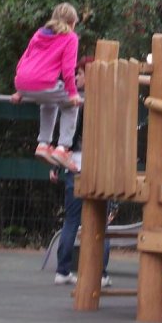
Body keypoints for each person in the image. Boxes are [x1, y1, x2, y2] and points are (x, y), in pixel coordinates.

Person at [51, 56, 112, 288]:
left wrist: (57, 163)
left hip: (75, 163)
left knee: (72, 220)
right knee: (97, 221)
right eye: (75, 74)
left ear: (91, 75)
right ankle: (101, 273)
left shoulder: (74, 101)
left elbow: (66, 137)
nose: (76, 78)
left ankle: (63, 270)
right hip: (95, 164)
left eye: (80, 74)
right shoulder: (107, 101)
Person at [12, 3, 81, 171]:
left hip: (22, 81)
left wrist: (20, 90)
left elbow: (24, 59)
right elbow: (68, 70)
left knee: (49, 102)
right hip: (44, 83)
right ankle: (62, 148)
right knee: (69, 106)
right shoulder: (70, 37)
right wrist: (73, 94)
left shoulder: (39, 34)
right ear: (72, 23)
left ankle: (43, 144)